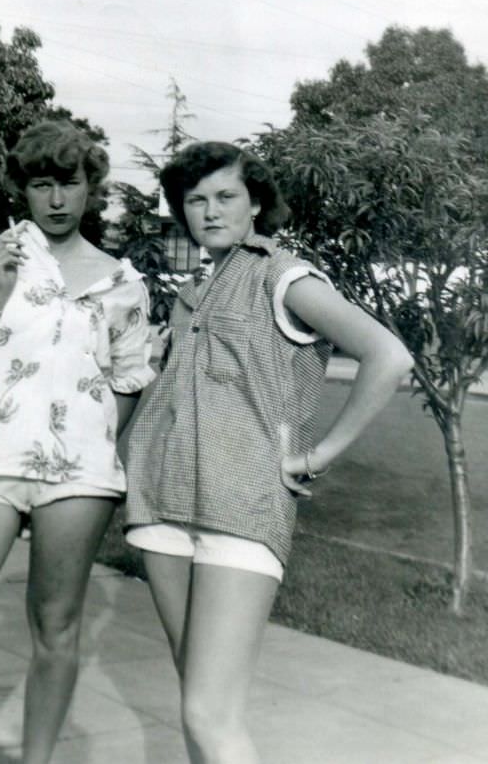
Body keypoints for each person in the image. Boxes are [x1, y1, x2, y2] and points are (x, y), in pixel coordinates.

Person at [124, 141, 414, 764]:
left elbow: (389, 356)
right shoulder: (193, 291)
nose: (209, 211)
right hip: (163, 502)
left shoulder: (283, 275)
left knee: (209, 714)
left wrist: (317, 454)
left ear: (256, 202)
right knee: (199, 706)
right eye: (194, 200)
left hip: (243, 508)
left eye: (226, 196)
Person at [0, 120, 154, 764]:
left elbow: (127, 384)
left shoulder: (123, 283)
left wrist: (90, 446)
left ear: (90, 188)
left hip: (80, 475)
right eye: (40, 184)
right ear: (21, 188)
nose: (54, 200)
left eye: (68, 184)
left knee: (56, 630)